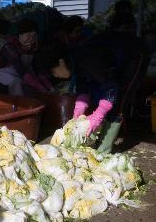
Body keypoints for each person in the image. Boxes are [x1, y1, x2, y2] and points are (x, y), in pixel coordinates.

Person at [35, 16, 148, 153]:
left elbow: (111, 87)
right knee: (107, 97)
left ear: (61, 62)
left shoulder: (87, 59)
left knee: (121, 99)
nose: (56, 76)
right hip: (116, 60)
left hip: (135, 55)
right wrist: (80, 105)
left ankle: (105, 148)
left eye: (54, 72)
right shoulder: (75, 59)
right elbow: (84, 82)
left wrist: (98, 115)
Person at [0, 18, 53, 96]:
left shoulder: (32, 48)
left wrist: (50, 87)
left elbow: (37, 70)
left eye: (34, 35)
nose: (31, 38)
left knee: (32, 86)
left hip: (19, 73)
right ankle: (18, 106)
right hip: (0, 77)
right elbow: (21, 70)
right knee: (16, 82)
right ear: (19, 35)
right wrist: (41, 87)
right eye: (28, 35)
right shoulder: (9, 47)